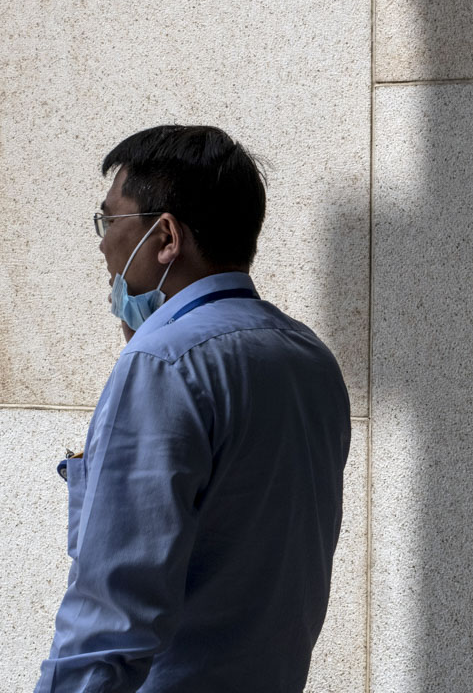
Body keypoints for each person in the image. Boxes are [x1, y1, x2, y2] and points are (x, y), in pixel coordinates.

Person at [36, 126, 351, 692]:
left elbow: (111, 623)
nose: (103, 246)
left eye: (110, 222)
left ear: (164, 238)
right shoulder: (309, 359)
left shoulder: (162, 364)